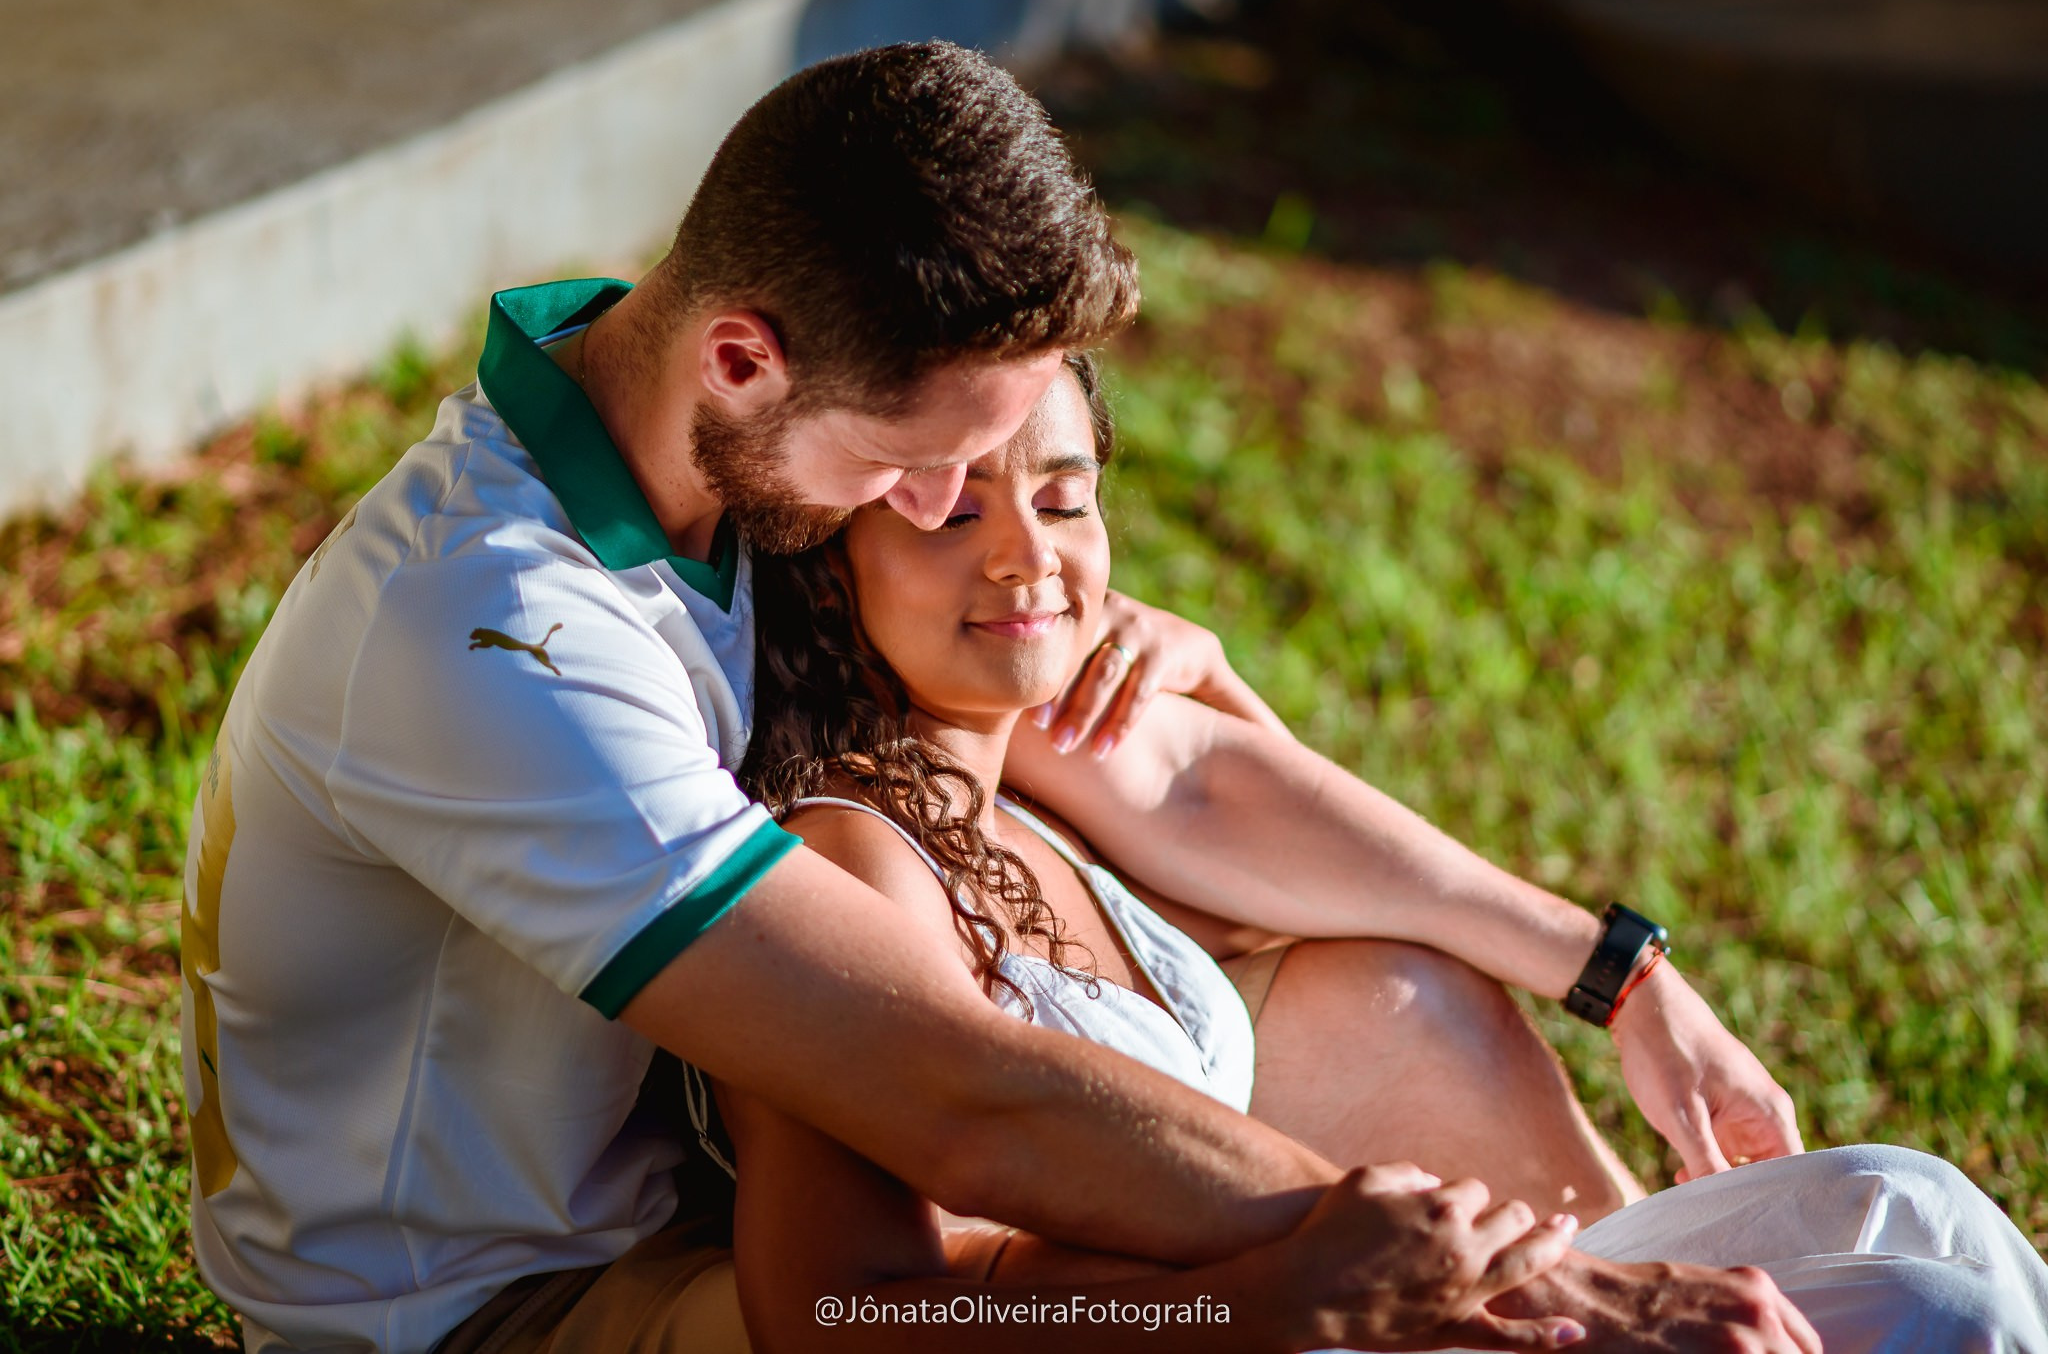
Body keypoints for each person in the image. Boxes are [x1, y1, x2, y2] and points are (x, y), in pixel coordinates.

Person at [184, 41, 1823, 1353]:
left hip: (737, 1165)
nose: (968, 512)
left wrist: (1615, 976)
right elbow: (953, 1094)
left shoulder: (736, 477)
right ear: (744, 361)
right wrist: (1480, 1285)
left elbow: (1159, 771)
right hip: (504, 1305)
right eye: (932, 470)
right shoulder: (497, 629)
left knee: (1387, 1016)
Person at [723, 354, 2048, 1353]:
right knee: (1925, 1309)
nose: (1031, 556)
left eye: (1067, 501)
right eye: (953, 515)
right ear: (828, 557)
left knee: (1909, 1200)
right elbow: (844, 1309)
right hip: (1286, 1330)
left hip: (1365, 1301)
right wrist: (1251, 1303)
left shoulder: (1047, 792)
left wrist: (1637, 986)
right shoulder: (852, 858)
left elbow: (1262, 830)